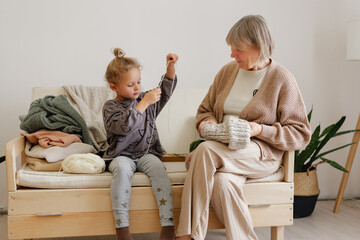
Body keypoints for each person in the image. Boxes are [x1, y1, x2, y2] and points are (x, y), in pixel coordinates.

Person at [176, 15, 311, 240]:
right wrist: (207, 122)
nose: (232, 54)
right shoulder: (227, 72)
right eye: (231, 48)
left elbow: (301, 133)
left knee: (205, 150)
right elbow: (204, 110)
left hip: (260, 154)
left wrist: (259, 130)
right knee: (223, 182)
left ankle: (187, 235)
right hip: (223, 149)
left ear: (258, 46)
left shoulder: (282, 78)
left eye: (238, 49)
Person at [103, 48, 178, 240]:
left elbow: (166, 90)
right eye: (130, 84)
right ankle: (122, 229)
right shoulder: (110, 107)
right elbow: (125, 126)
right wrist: (143, 103)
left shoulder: (146, 99)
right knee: (120, 169)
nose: (136, 88)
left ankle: (168, 226)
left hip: (146, 153)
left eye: (139, 82)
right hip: (121, 155)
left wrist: (170, 67)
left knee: (158, 169)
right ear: (114, 87)